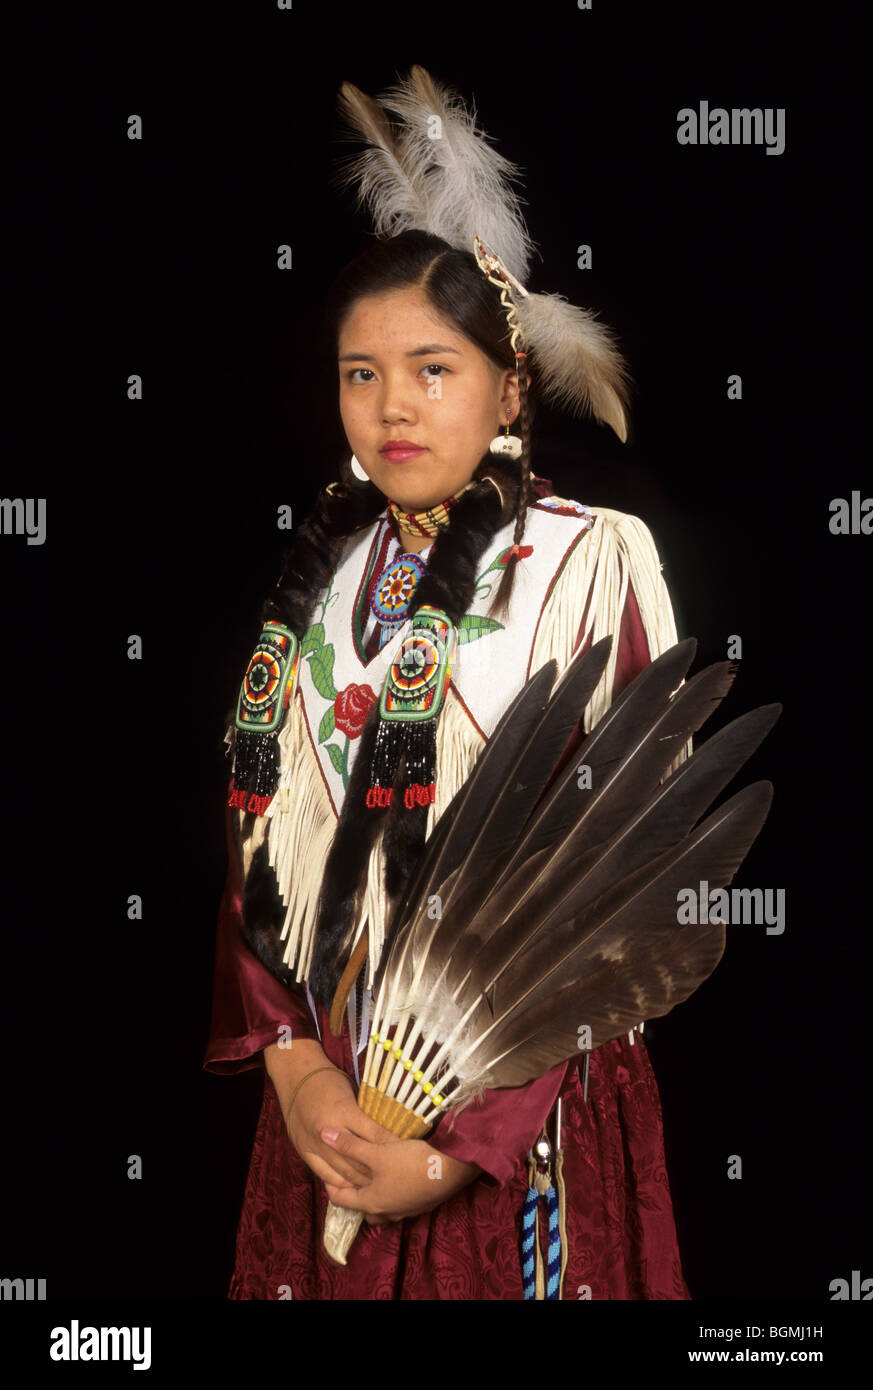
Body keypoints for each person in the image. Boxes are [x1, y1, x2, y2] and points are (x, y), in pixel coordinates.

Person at [204, 69, 693, 1300]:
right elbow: (257, 837)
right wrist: (295, 1067)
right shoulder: (320, 581)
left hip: (520, 1115)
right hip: (332, 1106)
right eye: (360, 373)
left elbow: (630, 889)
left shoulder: (589, 562)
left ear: (509, 383)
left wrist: (461, 1146)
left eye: (433, 368)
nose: (392, 407)